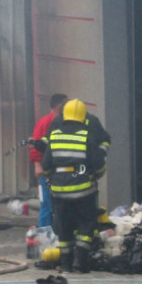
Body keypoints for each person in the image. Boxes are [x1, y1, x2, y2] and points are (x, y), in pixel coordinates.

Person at [41, 99, 111, 273]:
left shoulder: (55, 135)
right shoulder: (86, 135)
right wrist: (98, 173)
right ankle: (79, 262)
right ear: (82, 115)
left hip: (59, 192)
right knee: (86, 224)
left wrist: (53, 178)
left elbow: (46, 164)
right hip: (82, 190)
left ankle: (65, 264)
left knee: (64, 226)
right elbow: (97, 163)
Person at [29, 94, 68, 231]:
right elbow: (35, 145)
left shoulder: (65, 123)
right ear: (60, 106)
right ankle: (45, 233)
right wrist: (37, 165)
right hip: (46, 171)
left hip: (60, 172)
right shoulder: (45, 122)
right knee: (47, 203)